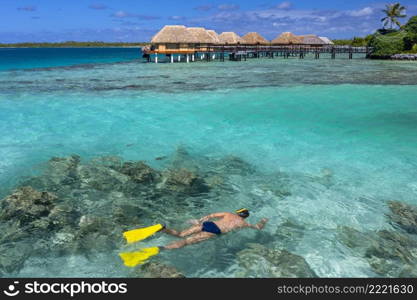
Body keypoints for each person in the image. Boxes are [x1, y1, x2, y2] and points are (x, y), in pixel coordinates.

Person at [160, 208, 268, 250]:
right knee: (187, 241)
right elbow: (258, 227)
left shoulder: (227, 214)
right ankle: (163, 248)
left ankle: (164, 229)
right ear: (245, 217)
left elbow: (211, 215)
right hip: (215, 231)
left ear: (238, 213)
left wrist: (200, 220)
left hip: (208, 224)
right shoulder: (244, 223)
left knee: (181, 234)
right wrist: (263, 221)